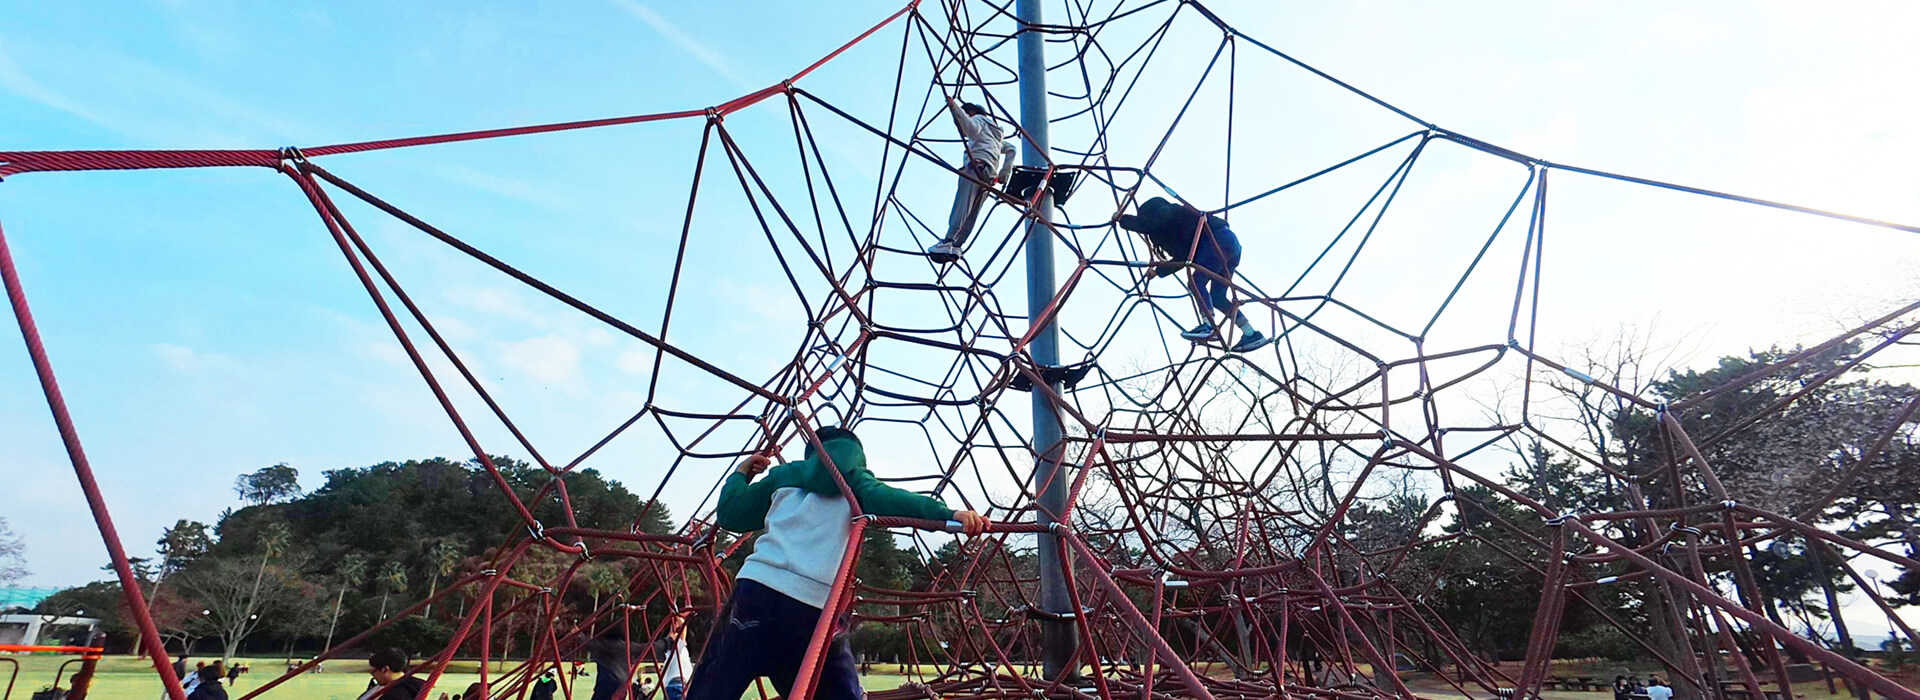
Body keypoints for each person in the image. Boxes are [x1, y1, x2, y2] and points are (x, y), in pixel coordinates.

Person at [683, 426, 987, 700]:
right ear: (858, 457)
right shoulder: (856, 482)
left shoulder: (783, 476)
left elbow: (731, 515)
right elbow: (899, 501)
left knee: (716, 679)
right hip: (813, 604)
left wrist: (741, 474)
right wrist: (949, 516)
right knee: (833, 687)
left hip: (756, 590)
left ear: (812, 451)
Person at [1117, 196, 1270, 353]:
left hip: (1216, 241)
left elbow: (1157, 225)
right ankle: (1251, 333)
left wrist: (1123, 221)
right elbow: (1182, 257)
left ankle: (1208, 326)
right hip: (1229, 244)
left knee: (1196, 282)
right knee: (1217, 297)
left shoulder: (1168, 213)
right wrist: (1158, 271)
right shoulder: (1180, 227)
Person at [927, 95, 1016, 264]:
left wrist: (954, 108)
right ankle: (958, 245)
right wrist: (1004, 173)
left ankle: (948, 240)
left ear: (971, 112)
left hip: (976, 165)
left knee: (963, 203)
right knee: (973, 211)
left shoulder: (978, 119)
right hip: (989, 174)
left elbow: (971, 128)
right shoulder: (996, 134)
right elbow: (1011, 149)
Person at [361, 648, 427, 700]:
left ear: (385, 669)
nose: (373, 676)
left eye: (373, 672)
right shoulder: (382, 687)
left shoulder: (399, 694)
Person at [657, 615, 693, 700]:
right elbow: (683, 627)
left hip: (670, 688)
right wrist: (677, 614)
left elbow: (672, 634)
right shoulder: (678, 647)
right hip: (677, 686)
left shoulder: (669, 652)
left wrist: (674, 621)